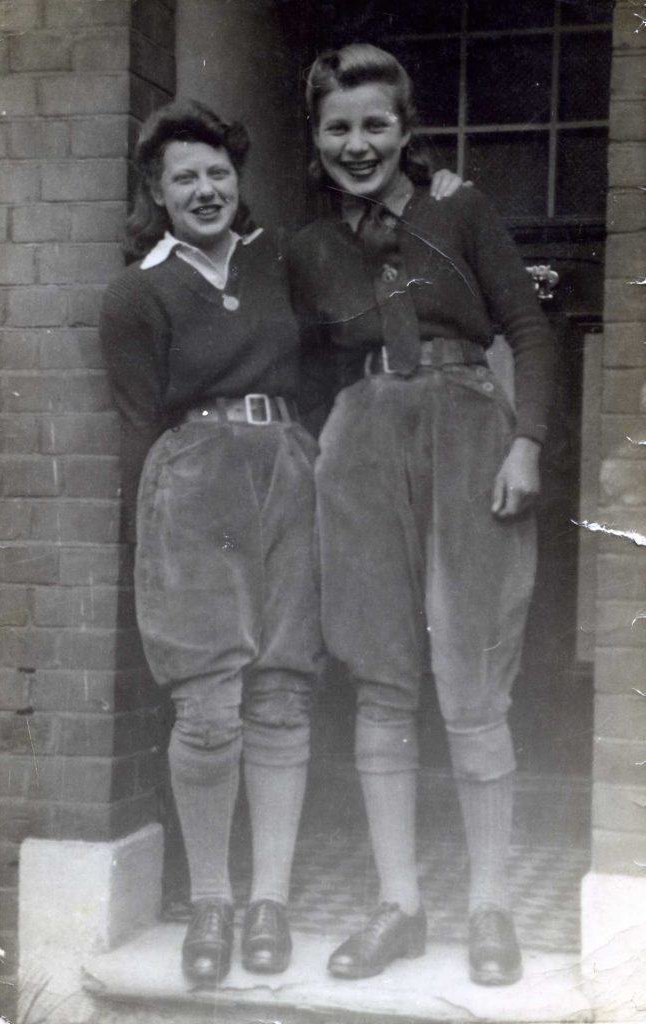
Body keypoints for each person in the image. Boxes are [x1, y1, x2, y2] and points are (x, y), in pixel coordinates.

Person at [287, 44, 555, 986]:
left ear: (405, 131)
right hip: (363, 444)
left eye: (374, 125)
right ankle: (399, 907)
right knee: (383, 680)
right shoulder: (309, 249)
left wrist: (526, 441)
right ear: (315, 141)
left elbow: (526, 324)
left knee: (473, 680)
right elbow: (303, 363)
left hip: (469, 431)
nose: (356, 144)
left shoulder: (459, 207)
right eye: (337, 128)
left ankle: (487, 908)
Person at [99, 100, 323, 986]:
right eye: (183, 177)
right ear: (156, 193)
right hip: (194, 484)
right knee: (208, 705)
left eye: (217, 172)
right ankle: (213, 901)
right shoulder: (137, 291)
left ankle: (269, 899)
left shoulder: (281, 262)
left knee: (281, 693)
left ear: (238, 179)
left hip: (288, 474)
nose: (204, 189)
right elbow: (135, 420)